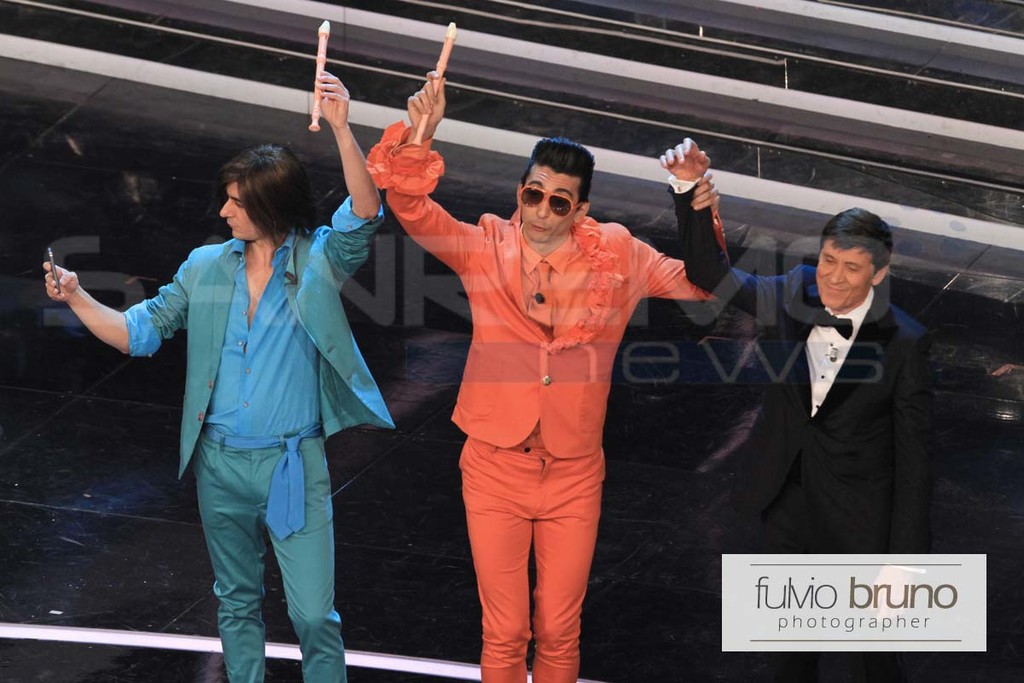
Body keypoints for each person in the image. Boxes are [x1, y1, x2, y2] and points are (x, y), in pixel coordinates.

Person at [365, 72, 716, 683]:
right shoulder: (485, 245)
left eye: (559, 202)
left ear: (580, 210)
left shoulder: (619, 253)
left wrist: (690, 197)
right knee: (504, 632)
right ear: (520, 192)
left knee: (559, 630)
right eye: (534, 194)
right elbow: (412, 209)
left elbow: (703, 285)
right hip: (494, 468)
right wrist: (422, 133)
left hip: (573, 474)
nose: (541, 211)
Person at [43, 72, 393, 683]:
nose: (225, 210)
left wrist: (342, 128)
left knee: (313, 614)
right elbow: (138, 332)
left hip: (291, 465)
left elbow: (364, 212)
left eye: (237, 202)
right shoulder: (206, 266)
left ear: (272, 208)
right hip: (220, 465)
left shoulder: (318, 259)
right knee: (236, 603)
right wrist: (76, 297)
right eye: (226, 198)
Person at [668, 149, 931, 683]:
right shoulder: (793, 291)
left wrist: (903, 561)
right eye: (829, 260)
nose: (833, 278)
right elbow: (711, 275)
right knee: (789, 653)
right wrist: (689, 194)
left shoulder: (906, 341)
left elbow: (916, 460)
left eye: (851, 268)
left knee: (873, 660)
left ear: (880, 273)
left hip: (862, 518)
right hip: (786, 500)